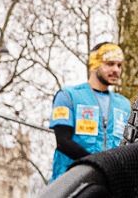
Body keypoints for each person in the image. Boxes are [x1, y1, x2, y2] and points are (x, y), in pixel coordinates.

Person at [49, 42, 132, 181]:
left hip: (110, 185)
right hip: (73, 181)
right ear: (94, 64)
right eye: (110, 64)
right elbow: (63, 141)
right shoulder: (68, 95)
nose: (116, 70)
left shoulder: (124, 105)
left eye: (119, 65)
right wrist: (97, 164)